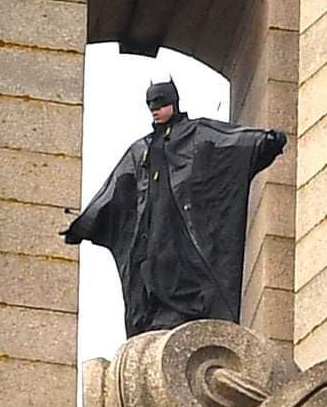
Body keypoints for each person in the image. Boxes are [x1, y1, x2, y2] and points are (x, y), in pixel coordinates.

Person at [61, 80, 286, 338]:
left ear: (173, 103)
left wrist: (264, 142)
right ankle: (158, 317)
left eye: (160, 104)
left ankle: (187, 313)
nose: (154, 110)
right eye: (150, 105)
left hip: (183, 223)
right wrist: (85, 223)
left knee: (181, 264)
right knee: (152, 265)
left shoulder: (196, 132)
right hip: (152, 224)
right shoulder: (141, 149)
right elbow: (115, 187)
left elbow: (232, 140)